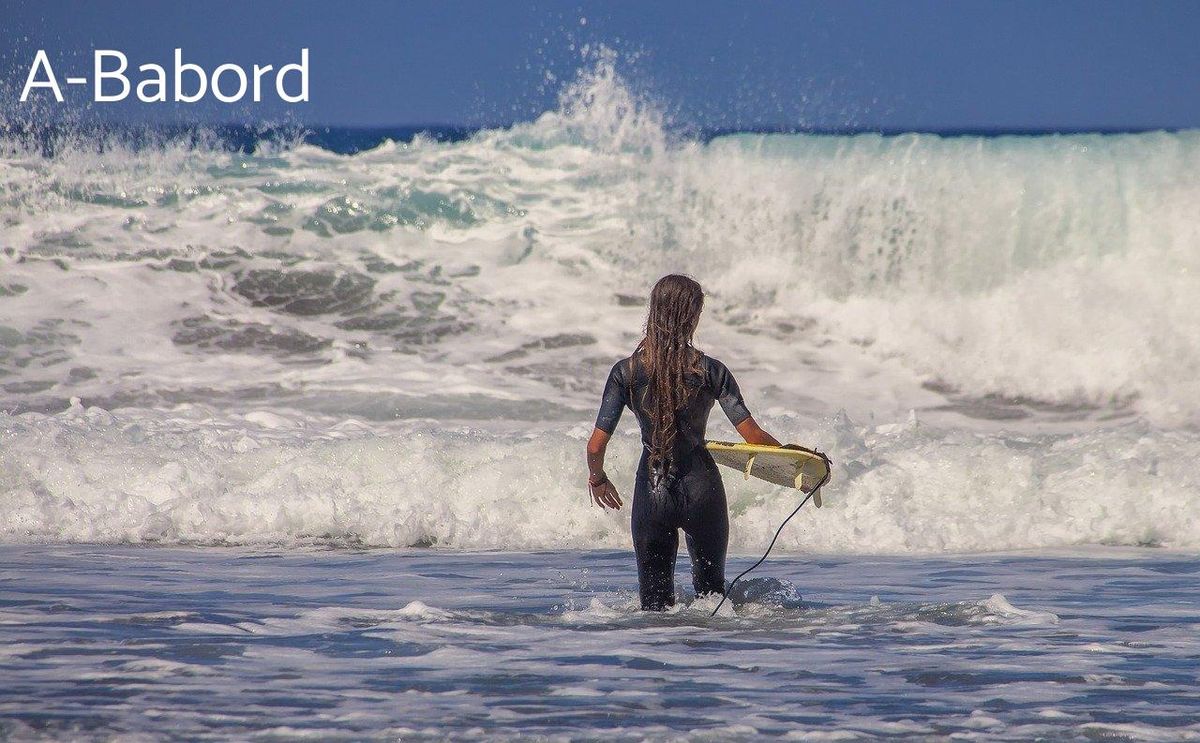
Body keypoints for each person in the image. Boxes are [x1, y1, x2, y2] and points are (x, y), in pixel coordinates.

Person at [586, 274, 783, 611]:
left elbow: (595, 446)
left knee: (654, 608)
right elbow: (753, 437)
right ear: (691, 317)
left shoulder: (625, 372)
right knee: (713, 602)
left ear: (654, 312)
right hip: (703, 490)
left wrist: (598, 478)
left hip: (653, 492)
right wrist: (795, 459)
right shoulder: (711, 371)